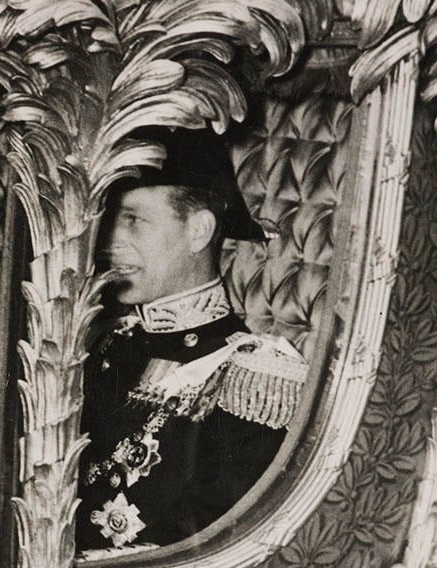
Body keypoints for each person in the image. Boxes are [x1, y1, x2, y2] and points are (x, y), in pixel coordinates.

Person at [75, 129, 308, 552]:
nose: (110, 243)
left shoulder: (250, 379)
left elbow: (224, 547)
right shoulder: (103, 350)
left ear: (199, 230)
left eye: (132, 220)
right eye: (108, 221)